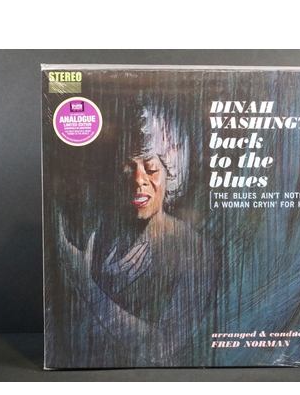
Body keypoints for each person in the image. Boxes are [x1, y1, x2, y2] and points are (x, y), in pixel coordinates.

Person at [58, 106, 218, 367]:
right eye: (128, 168)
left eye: (151, 169)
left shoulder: (193, 250)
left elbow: (162, 348)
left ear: (170, 173)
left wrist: (88, 287)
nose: (138, 180)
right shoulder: (96, 235)